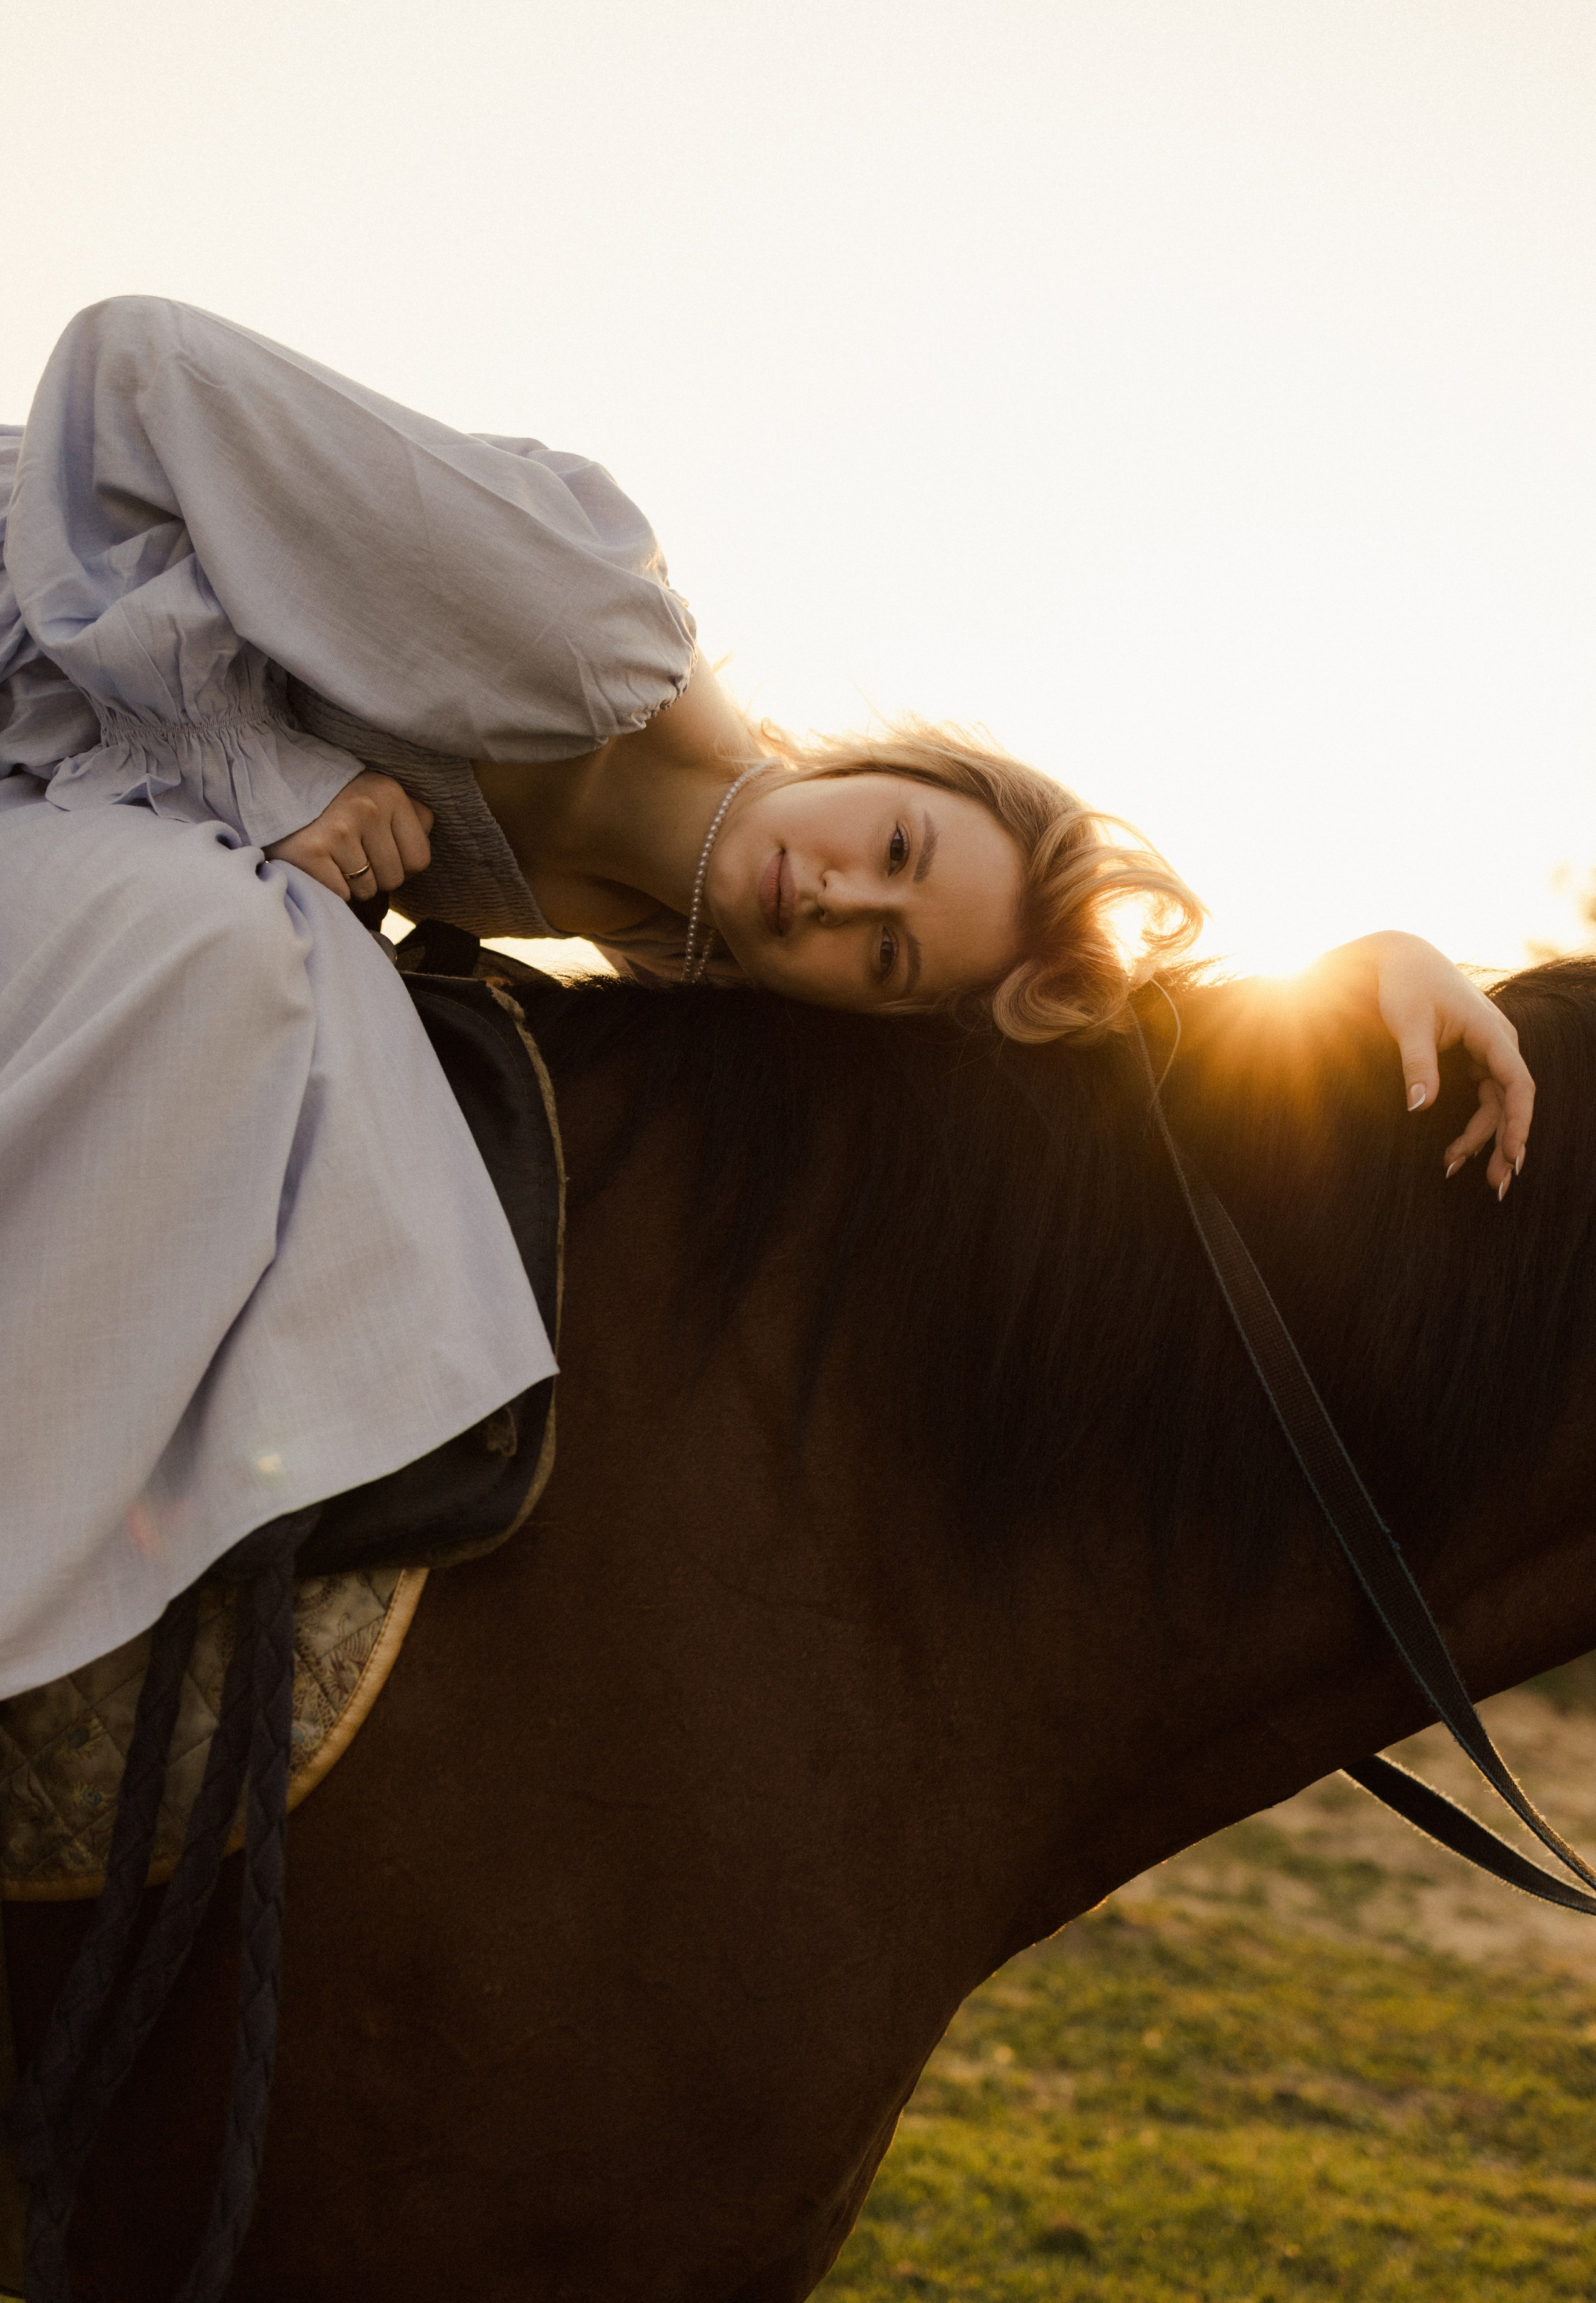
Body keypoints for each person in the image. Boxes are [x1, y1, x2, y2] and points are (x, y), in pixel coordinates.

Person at [0, 297, 1532, 1697]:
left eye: (882, 952)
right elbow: (137, 368)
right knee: (239, 956)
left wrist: (1355, 964)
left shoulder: (669, 938)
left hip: (80, 801)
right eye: (893, 845)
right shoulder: (577, 624)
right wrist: (257, 770)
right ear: (889, 767)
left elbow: (1089, 1053)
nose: (838, 896)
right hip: (30, 667)